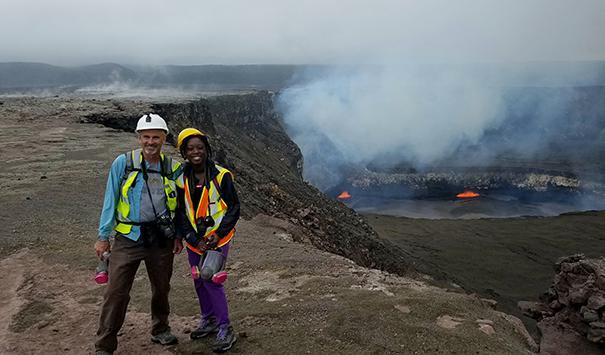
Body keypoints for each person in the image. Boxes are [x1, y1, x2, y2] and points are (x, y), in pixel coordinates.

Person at [94, 113, 184, 355]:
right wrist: (103, 236)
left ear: (164, 139)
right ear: (139, 138)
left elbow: (183, 203)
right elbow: (110, 200)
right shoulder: (122, 163)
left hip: (161, 239)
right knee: (116, 291)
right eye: (146, 137)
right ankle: (105, 344)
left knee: (161, 287)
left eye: (156, 137)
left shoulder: (172, 167)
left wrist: (179, 235)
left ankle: (160, 329)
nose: (151, 142)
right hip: (128, 237)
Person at [175, 127, 240, 353]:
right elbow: (180, 212)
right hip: (195, 241)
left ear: (207, 150)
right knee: (198, 280)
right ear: (183, 152)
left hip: (217, 241)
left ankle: (225, 327)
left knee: (211, 279)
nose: (196, 152)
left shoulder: (222, 176)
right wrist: (192, 237)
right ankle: (208, 319)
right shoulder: (180, 178)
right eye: (190, 148)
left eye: (200, 148)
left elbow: (234, 207)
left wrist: (218, 234)